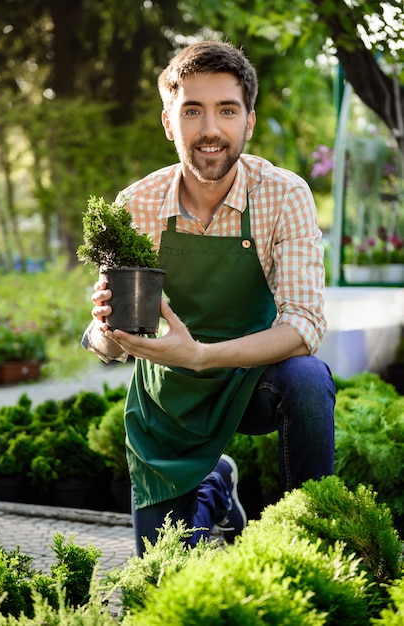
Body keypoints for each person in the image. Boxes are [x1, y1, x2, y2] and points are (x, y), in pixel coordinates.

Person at [82, 40, 336, 557]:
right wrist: (106, 333)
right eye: (192, 111)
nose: (211, 129)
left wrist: (202, 355)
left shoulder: (284, 195)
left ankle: (310, 536)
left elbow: (305, 325)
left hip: (254, 378)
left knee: (308, 380)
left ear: (249, 122)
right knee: (165, 573)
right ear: (169, 123)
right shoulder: (137, 204)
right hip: (172, 396)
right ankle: (215, 485)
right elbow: (106, 341)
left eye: (227, 110)